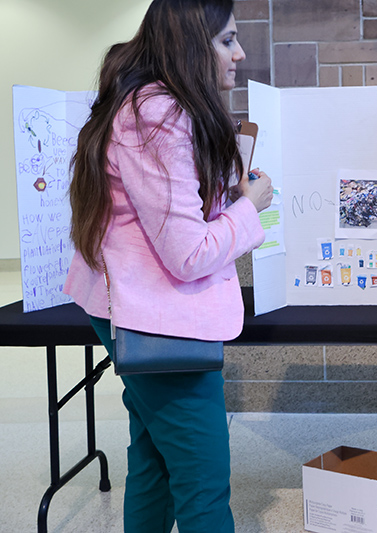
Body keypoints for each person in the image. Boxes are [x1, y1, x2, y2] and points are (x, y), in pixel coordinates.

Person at [64, 0, 274, 531]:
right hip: (156, 320)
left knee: (154, 464)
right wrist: (251, 207)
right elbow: (189, 254)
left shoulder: (150, 105)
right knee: (203, 485)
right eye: (227, 40)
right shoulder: (158, 115)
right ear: (189, 43)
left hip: (137, 311)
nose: (239, 53)